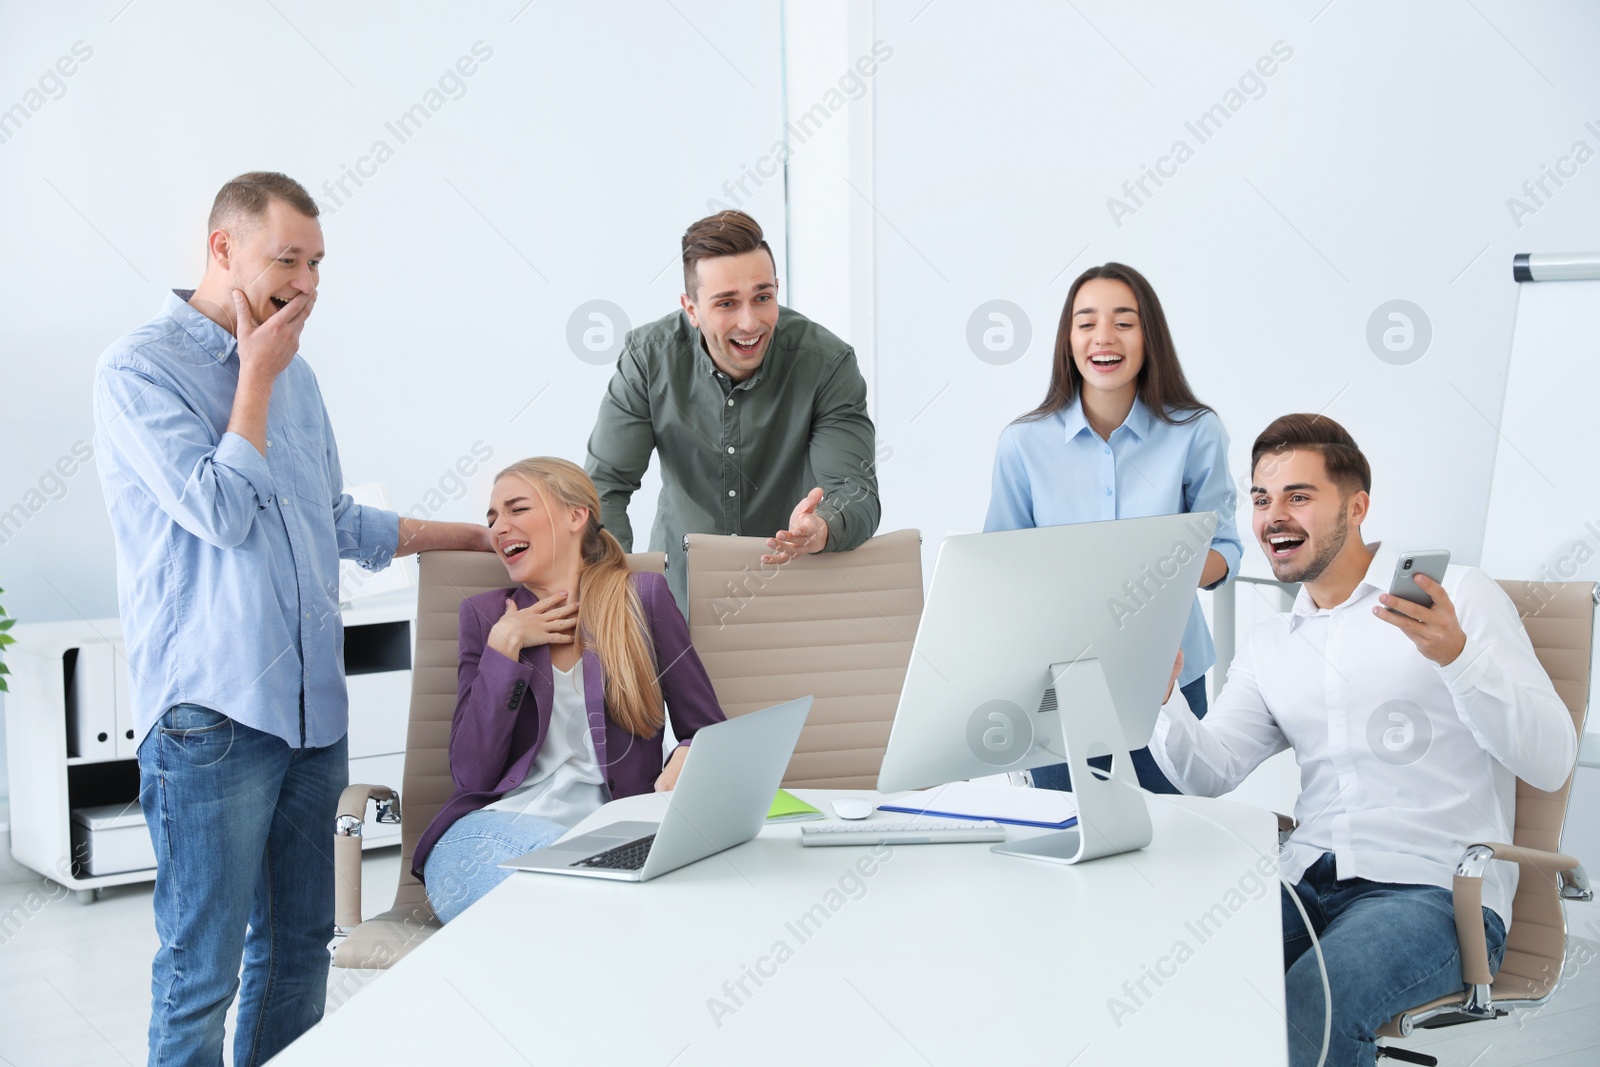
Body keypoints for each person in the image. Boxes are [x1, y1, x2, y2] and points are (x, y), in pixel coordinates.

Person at [92, 172, 492, 1067]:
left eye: (317, 263)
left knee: (298, 953)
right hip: (213, 719)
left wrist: (470, 533)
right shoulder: (138, 370)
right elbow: (222, 512)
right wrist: (256, 380)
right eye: (288, 259)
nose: (307, 283)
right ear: (222, 249)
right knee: (203, 969)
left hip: (315, 717)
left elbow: (332, 516)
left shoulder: (296, 375)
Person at [1149, 414, 1576, 1067]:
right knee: (1175, 981)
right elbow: (1211, 769)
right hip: (1305, 878)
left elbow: (1550, 762)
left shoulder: (1457, 594)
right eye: (1261, 499)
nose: (1272, 516)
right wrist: (1162, 700)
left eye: (1298, 494)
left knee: (1306, 1008)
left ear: (1357, 506)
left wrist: (1459, 658)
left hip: (1432, 893)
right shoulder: (1272, 644)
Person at [413, 458, 726, 921]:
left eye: (517, 509)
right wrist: (506, 646)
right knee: (571, 899)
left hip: (612, 832)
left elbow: (709, 733)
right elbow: (472, 775)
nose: (500, 527)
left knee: (569, 905)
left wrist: (689, 751)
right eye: (492, 518)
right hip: (492, 834)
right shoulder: (484, 618)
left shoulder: (642, 599)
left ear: (576, 516)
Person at [985, 262, 1241, 793]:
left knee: (1173, 834)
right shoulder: (1023, 444)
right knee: (1065, 828)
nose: (1104, 337)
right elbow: (999, 566)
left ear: (1150, 336)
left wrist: (1167, 568)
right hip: (1057, 679)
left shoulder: (1195, 433)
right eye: (1086, 322)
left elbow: (1226, 550)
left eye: (1124, 322)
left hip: (1169, 674)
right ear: (1068, 339)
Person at [585, 209, 881, 612]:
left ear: (777, 289)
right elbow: (605, 486)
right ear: (691, 309)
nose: (750, 322)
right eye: (726, 303)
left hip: (793, 600)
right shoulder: (647, 360)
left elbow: (855, 491)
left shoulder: (826, 363)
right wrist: (615, 590)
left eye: (762, 297)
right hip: (676, 601)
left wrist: (822, 526)